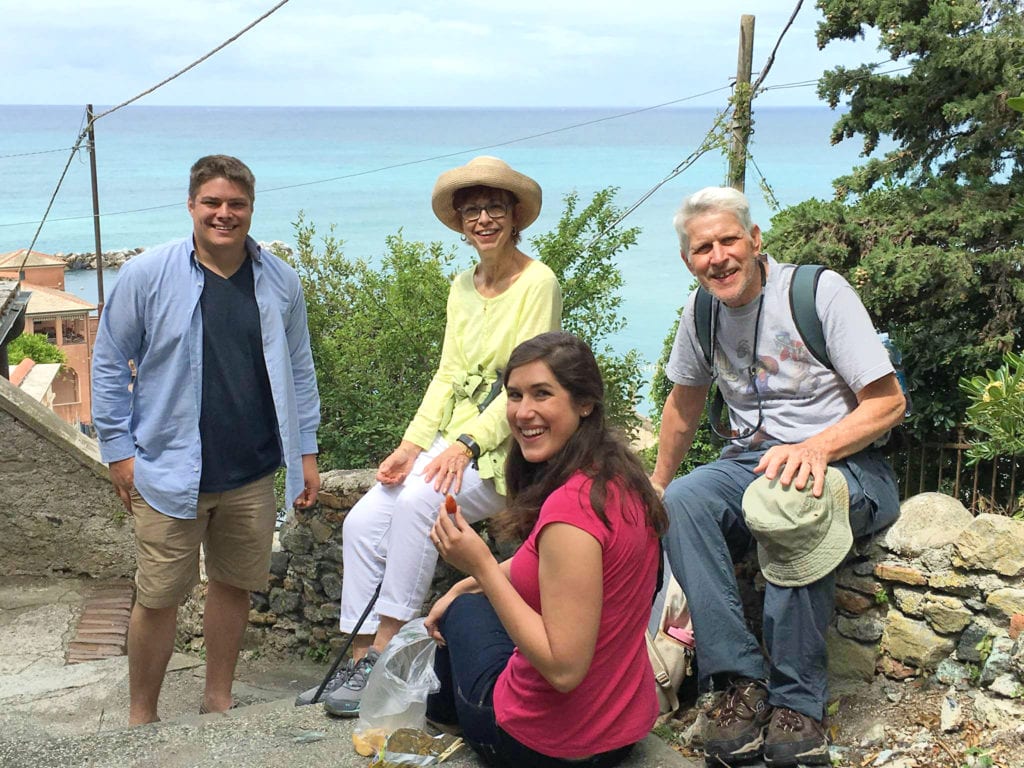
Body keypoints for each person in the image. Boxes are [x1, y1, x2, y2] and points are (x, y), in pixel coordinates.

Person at [296, 156, 562, 715]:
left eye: (493, 208)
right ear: (461, 222)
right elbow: (447, 374)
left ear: (515, 216)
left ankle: (391, 653)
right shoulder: (461, 285)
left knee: (422, 503)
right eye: (472, 210)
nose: (483, 219)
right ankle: (360, 656)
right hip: (453, 439)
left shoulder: (539, 283)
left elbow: (528, 384)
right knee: (365, 518)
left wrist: (467, 446)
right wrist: (411, 445)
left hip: (509, 446)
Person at [650, 187, 905, 767]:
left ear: (755, 239)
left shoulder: (817, 292)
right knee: (686, 500)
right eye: (701, 248)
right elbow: (684, 404)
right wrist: (659, 483)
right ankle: (738, 683)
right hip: (752, 463)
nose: (717, 257)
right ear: (688, 260)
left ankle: (799, 705)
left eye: (728, 240)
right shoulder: (702, 310)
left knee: (787, 502)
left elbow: (888, 404)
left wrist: (814, 448)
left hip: (846, 462)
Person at [91, 155, 321, 725]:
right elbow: (107, 362)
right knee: (158, 596)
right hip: (168, 470)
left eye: (236, 204)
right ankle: (141, 714)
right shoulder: (147, 275)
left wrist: (306, 452)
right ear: (192, 206)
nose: (224, 214)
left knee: (234, 586)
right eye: (212, 203)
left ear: (250, 208)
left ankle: (218, 699)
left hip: (250, 472)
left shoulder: (279, 281)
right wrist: (118, 452)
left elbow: (299, 369)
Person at [425, 331, 665, 768]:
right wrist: (462, 586)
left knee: (465, 618)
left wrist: (479, 565)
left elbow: (564, 669)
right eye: (514, 395)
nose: (522, 412)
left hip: (545, 745)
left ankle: (443, 714)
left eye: (542, 394)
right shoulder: (620, 479)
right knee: (464, 604)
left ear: (584, 403)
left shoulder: (569, 511)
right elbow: (550, 562)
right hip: (620, 730)